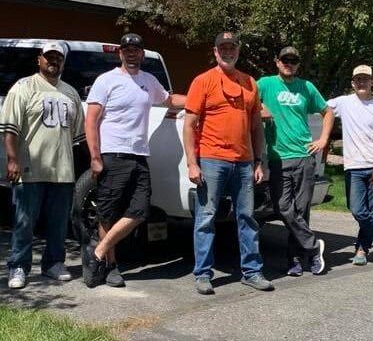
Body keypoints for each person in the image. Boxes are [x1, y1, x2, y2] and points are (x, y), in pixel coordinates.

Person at [83, 33, 185, 288]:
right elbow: (91, 120)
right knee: (108, 213)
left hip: (139, 155)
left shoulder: (149, 81)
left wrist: (204, 100)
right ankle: (111, 267)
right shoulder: (106, 81)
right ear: (120, 53)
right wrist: (95, 157)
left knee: (140, 211)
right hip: (112, 154)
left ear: (141, 54)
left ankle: (98, 251)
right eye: (126, 49)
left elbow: (170, 100)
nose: (131, 53)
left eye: (136, 50)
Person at [183, 31, 274, 295]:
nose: (227, 51)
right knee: (206, 218)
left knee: (247, 218)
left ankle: (252, 272)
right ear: (215, 52)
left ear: (238, 50)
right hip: (211, 161)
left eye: (232, 47)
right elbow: (189, 126)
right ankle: (202, 274)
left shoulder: (249, 83)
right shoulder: (203, 81)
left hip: (244, 163)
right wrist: (192, 162)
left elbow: (256, 127)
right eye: (222, 48)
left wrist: (259, 161)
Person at [0, 41, 85, 289]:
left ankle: (53, 263)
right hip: (30, 169)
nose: (53, 61)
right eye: (48, 57)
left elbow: (78, 137)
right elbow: (10, 129)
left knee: (58, 222)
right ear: (39, 59)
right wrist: (13, 159)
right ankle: (18, 266)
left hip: (62, 170)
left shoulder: (71, 93)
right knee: (25, 221)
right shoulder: (24, 87)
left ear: (63, 62)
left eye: (58, 57)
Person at [257, 46, 334, 277]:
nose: (288, 63)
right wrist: (261, 108)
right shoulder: (265, 84)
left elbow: (327, 112)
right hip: (277, 157)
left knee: (301, 211)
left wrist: (323, 139)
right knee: (283, 208)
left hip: (304, 157)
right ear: (277, 62)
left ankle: (296, 261)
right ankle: (313, 247)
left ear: (297, 64)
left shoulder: (306, 87)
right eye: (284, 60)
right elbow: (247, 102)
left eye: (293, 60)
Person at [327, 65, 373, 265]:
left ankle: (361, 250)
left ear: (372, 82)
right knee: (358, 210)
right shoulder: (343, 103)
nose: (361, 82)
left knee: (372, 212)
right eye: (358, 79)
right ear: (352, 83)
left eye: (365, 79)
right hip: (354, 168)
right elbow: (318, 107)